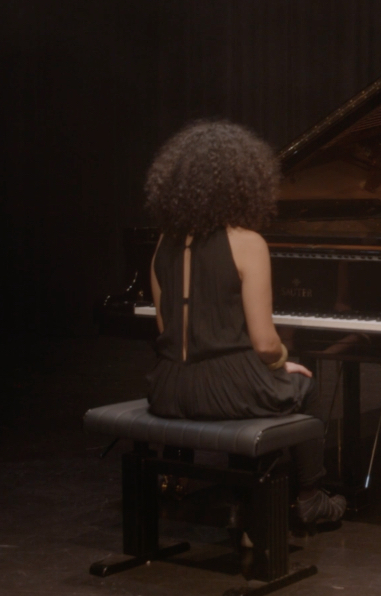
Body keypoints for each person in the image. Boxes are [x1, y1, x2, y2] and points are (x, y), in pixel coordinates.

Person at [143, 120, 346, 524]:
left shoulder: (163, 244)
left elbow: (167, 330)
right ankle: (310, 496)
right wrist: (281, 363)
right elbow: (265, 344)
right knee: (305, 385)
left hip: (167, 389)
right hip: (226, 391)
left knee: (271, 385)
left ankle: (247, 498)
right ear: (243, 183)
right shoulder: (248, 243)